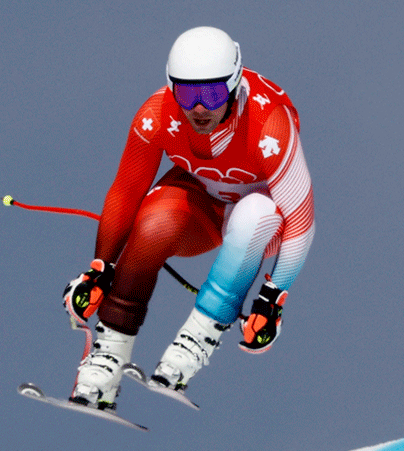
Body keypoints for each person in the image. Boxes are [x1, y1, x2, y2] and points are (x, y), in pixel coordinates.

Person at [61, 26, 315, 409]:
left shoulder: (269, 124)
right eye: (186, 93)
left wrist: (271, 299)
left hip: (265, 219)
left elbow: (300, 218)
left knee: (254, 213)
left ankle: (197, 339)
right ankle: (106, 361)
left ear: (233, 85)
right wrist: (101, 266)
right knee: (152, 223)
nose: (198, 108)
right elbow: (127, 190)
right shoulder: (157, 114)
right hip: (204, 207)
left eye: (211, 94)